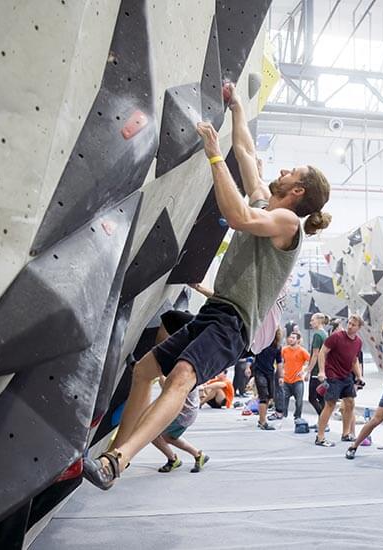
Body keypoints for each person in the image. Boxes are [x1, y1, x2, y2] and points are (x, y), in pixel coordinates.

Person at [82, 82, 331, 490]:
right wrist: (235, 108)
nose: (282, 171)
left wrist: (214, 153)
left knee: (182, 376)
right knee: (145, 370)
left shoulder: (287, 223)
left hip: (234, 325)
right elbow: (248, 152)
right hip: (216, 313)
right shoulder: (268, 200)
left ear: (298, 191)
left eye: (291, 173)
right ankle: (118, 456)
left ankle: (116, 460)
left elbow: (238, 218)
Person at [315, 314, 364, 446]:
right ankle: (320, 437)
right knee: (330, 405)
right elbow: (322, 352)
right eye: (349, 323)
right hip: (332, 375)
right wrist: (321, 371)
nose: (350, 326)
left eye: (353, 325)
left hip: (346, 375)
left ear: (359, 327)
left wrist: (359, 376)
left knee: (350, 403)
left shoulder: (358, 342)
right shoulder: (336, 337)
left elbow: (354, 360)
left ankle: (346, 434)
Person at [152, 381, 208, 473]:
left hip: (182, 414)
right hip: (187, 412)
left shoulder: (180, 373)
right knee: (168, 437)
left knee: (151, 434)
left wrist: (160, 376)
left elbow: (168, 390)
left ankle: (173, 460)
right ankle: (198, 455)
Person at [249, 329, 283, 430]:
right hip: (259, 372)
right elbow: (251, 355)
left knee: (269, 397)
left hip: (270, 373)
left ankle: (261, 420)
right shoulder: (260, 343)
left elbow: (279, 362)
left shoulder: (277, 347)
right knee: (263, 396)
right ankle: (263, 422)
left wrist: (281, 376)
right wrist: (248, 368)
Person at [280, 332, 309, 421]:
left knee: (299, 401)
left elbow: (311, 361)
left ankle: (297, 417)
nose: (291, 339)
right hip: (286, 379)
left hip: (298, 380)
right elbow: (280, 361)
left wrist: (304, 370)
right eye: (290, 337)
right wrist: (281, 373)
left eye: (293, 338)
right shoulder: (284, 350)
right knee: (284, 399)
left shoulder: (302, 351)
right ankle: (283, 415)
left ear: (298, 340)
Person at [305, 313, 329, 415]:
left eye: (312, 320)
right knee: (321, 397)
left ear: (319, 321)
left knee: (312, 398)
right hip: (324, 370)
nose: (311, 322)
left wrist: (308, 371)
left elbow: (315, 355)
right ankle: (322, 423)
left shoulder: (317, 335)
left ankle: (323, 420)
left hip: (316, 371)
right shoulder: (325, 334)